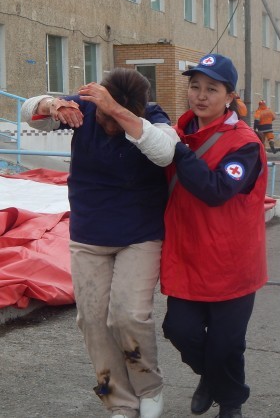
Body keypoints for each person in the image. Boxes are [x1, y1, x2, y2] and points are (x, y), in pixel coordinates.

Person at [22, 68, 179, 418]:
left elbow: (166, 153)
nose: (108, 123)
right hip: (89, 235)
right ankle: (117, 400)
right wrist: (50, 105)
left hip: (139, 235)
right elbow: (28, 111)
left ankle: (149, 387)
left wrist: (119, 112)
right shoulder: (86, 107)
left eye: (116, 114)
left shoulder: (153, 118)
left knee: (128, 316)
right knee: (91, 320)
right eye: (104, 114)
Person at [160, 53, 268, 418]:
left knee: (226, 342)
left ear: (229, 96)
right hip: (186, 257)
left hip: (232, 261)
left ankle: (231, 402)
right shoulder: (175, 134)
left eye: (211, 89)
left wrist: (176, 150)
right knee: (179, 330)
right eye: (194, 87)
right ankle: (214, 378)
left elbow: (217, 190)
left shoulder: (245, 143)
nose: (200, 95)